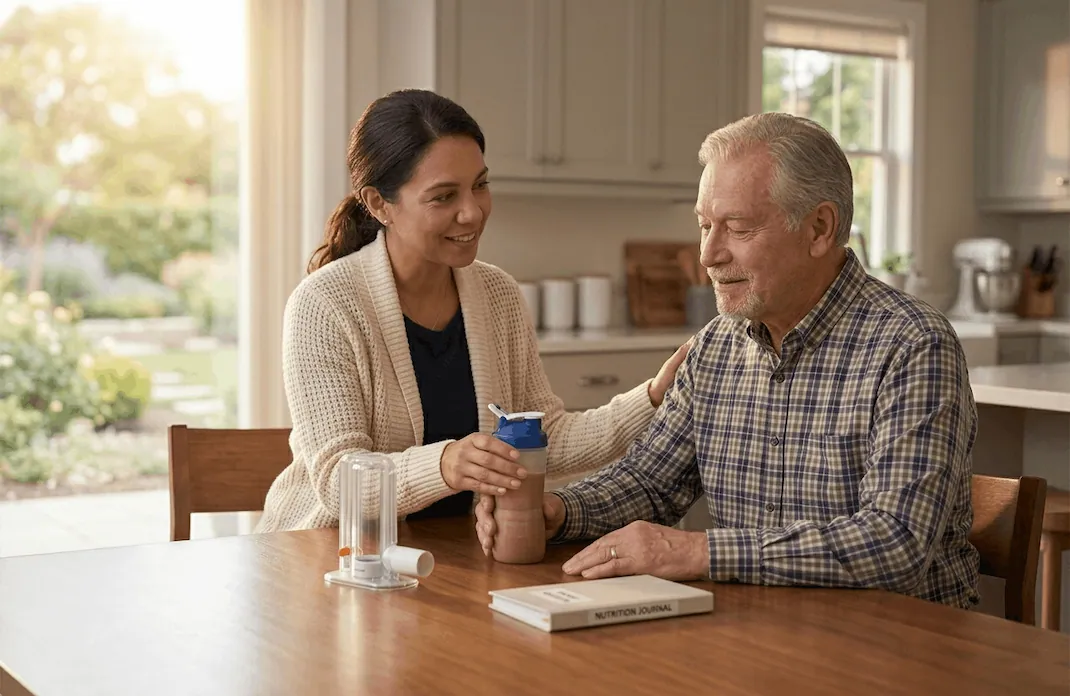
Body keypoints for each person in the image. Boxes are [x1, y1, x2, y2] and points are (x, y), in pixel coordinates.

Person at [476, 112, 981, 609]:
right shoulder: (718, 344)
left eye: (737, 228)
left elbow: (895, 541)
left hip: (899, 648)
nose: (708, 255)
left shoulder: (913, 346)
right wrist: (559, 513)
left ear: (819, 228)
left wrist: (693, 550)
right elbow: (650, 482)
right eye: (704, 226)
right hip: (760, 634)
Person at [256, 89, 688, 533]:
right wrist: (445, 463)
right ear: (379, 203)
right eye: (444, 197)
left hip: (450, 556)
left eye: (480, 185)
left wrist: (653, 395)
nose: (473, 212)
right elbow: (338, 481)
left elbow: (545, 439)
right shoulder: (324, 304)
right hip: (329, 559)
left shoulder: (497, 293)